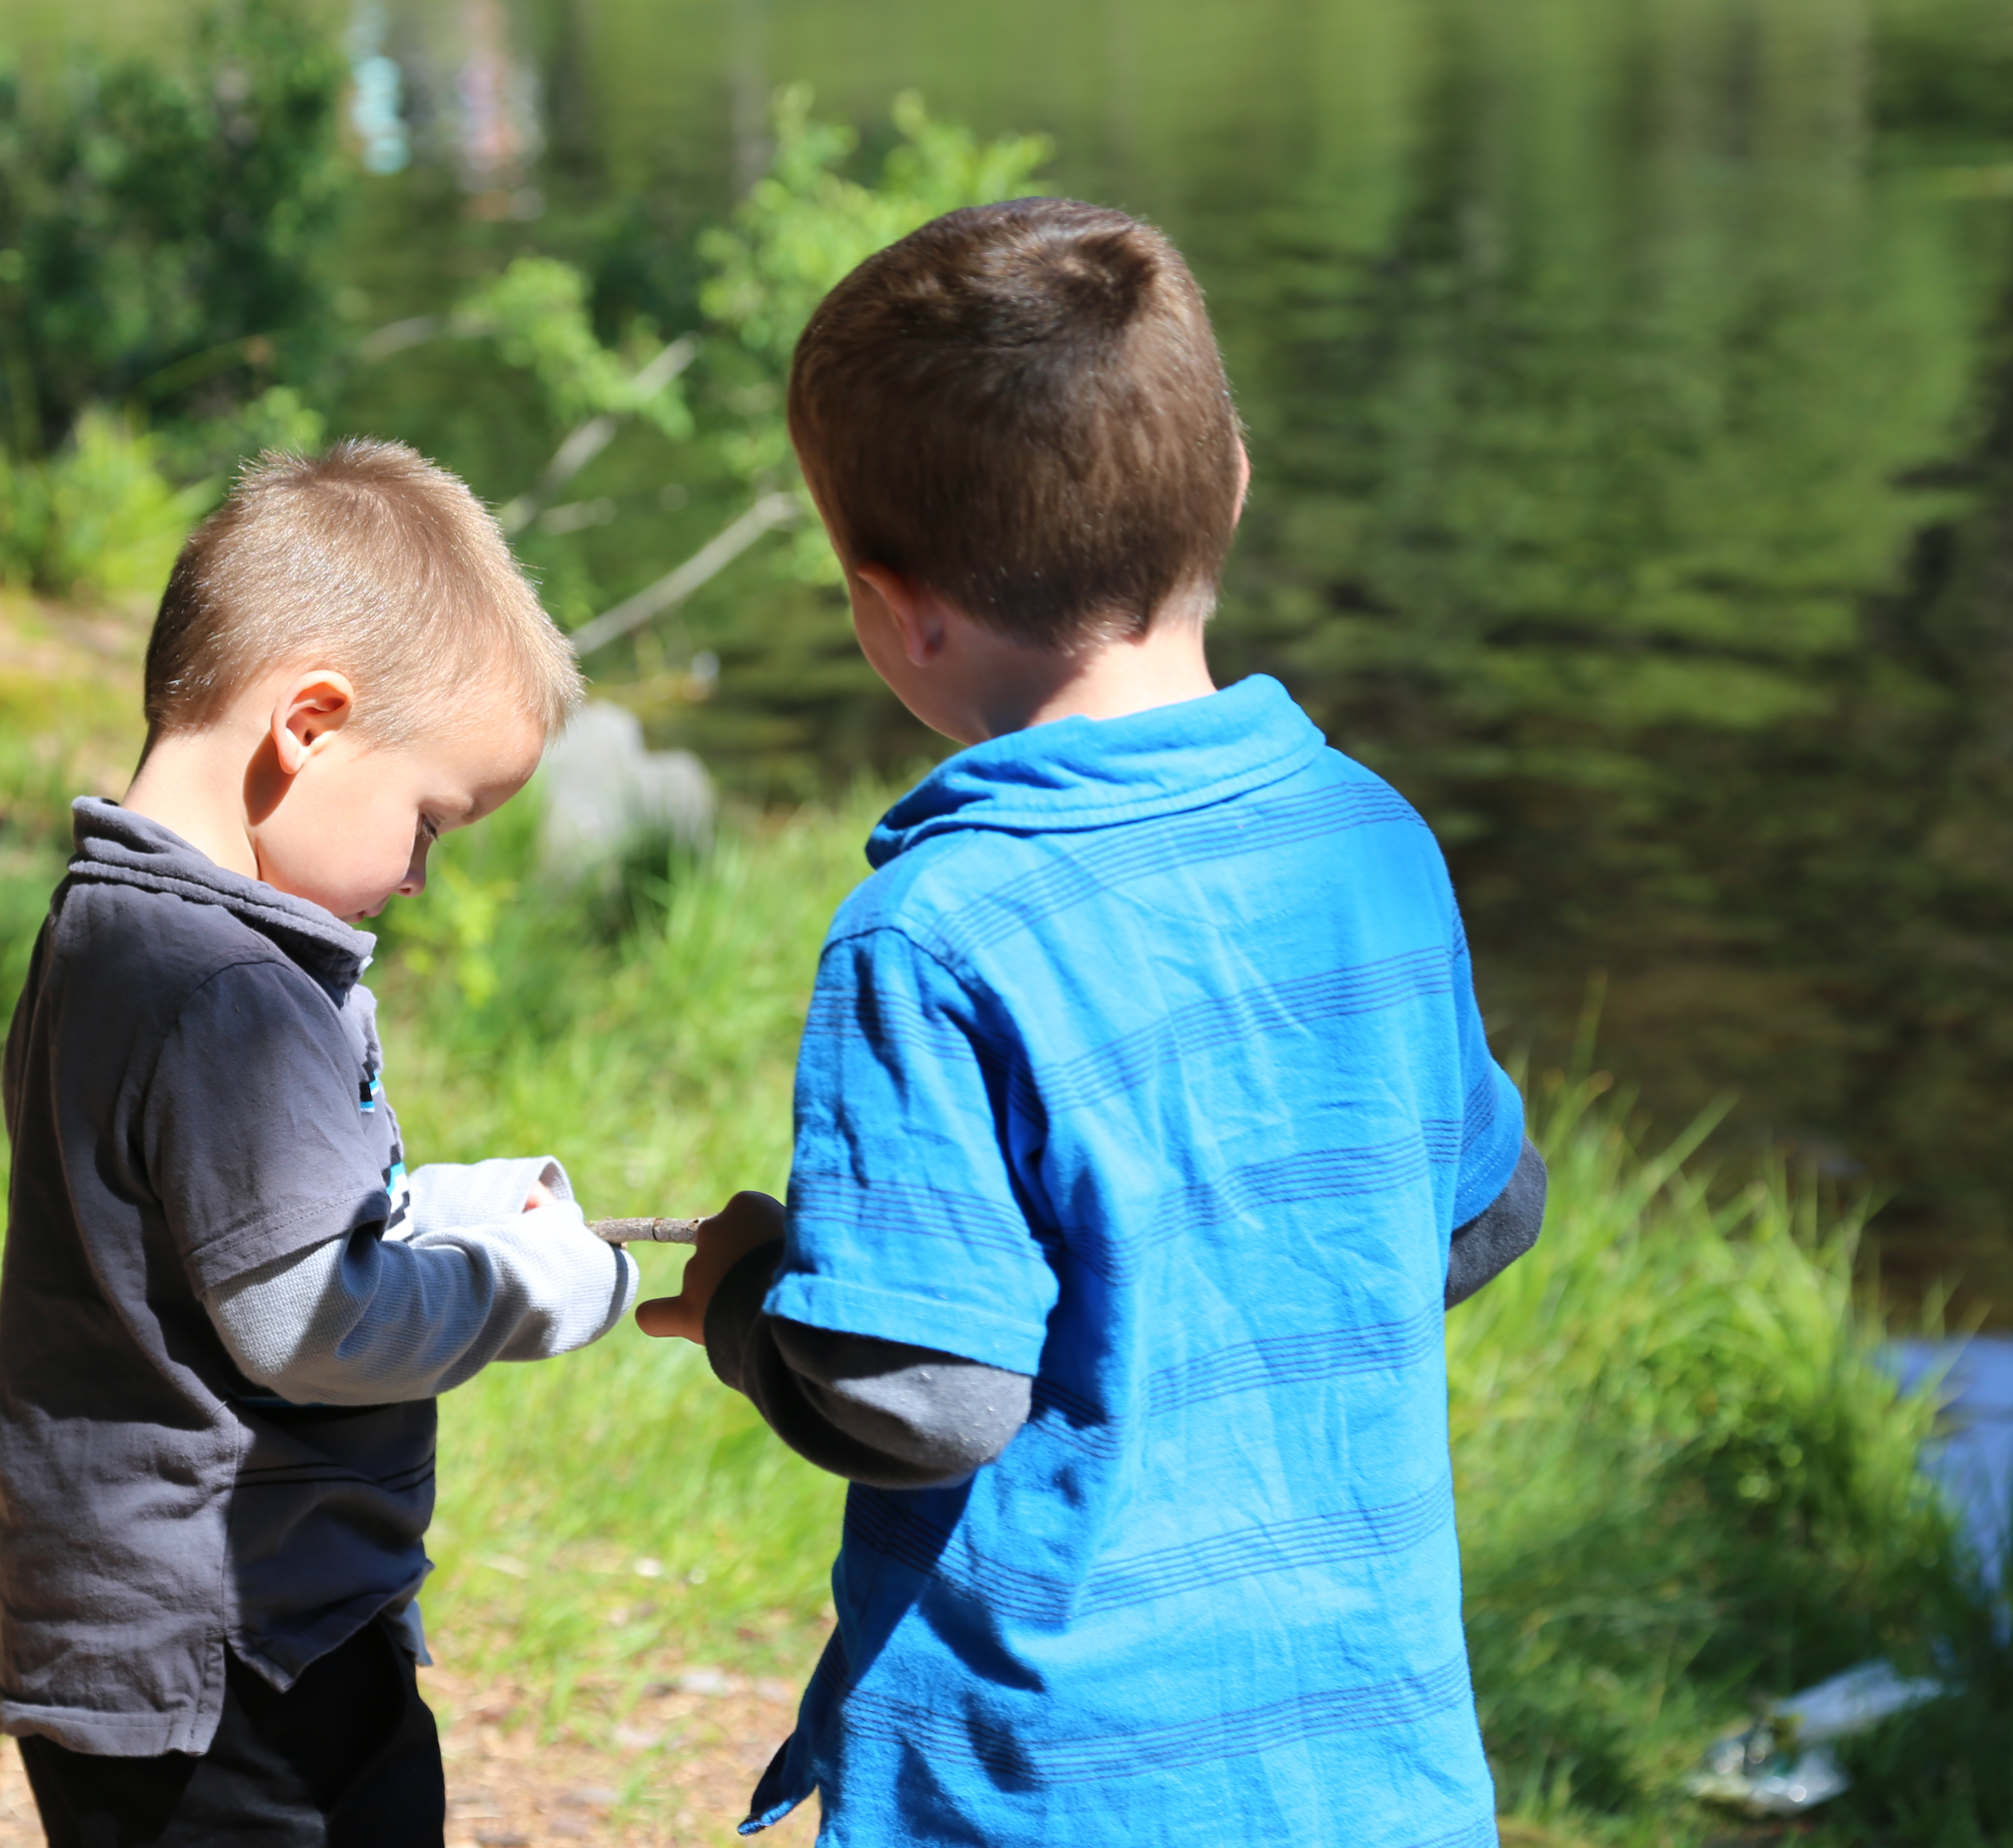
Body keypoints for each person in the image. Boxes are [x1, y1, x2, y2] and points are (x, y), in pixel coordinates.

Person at [638, 200, 1547, 1845]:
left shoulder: (931, 934)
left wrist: (753, 1307)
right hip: (1364, 1769)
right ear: (1238, 487)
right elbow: (1481, 1211)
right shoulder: (1369, 840)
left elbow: (925, 1398)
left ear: (894, 609)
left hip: (1050, 1793)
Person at [0, 440, 638, 1846]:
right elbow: (307, 1321)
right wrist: (552, 1288)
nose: (417, 874)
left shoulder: (104, 934)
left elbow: (202, 1238)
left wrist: (451, 1206)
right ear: (312, 722)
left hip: (137, 1639)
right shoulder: (237, 991)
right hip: (246, 1650)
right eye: (431, 823)